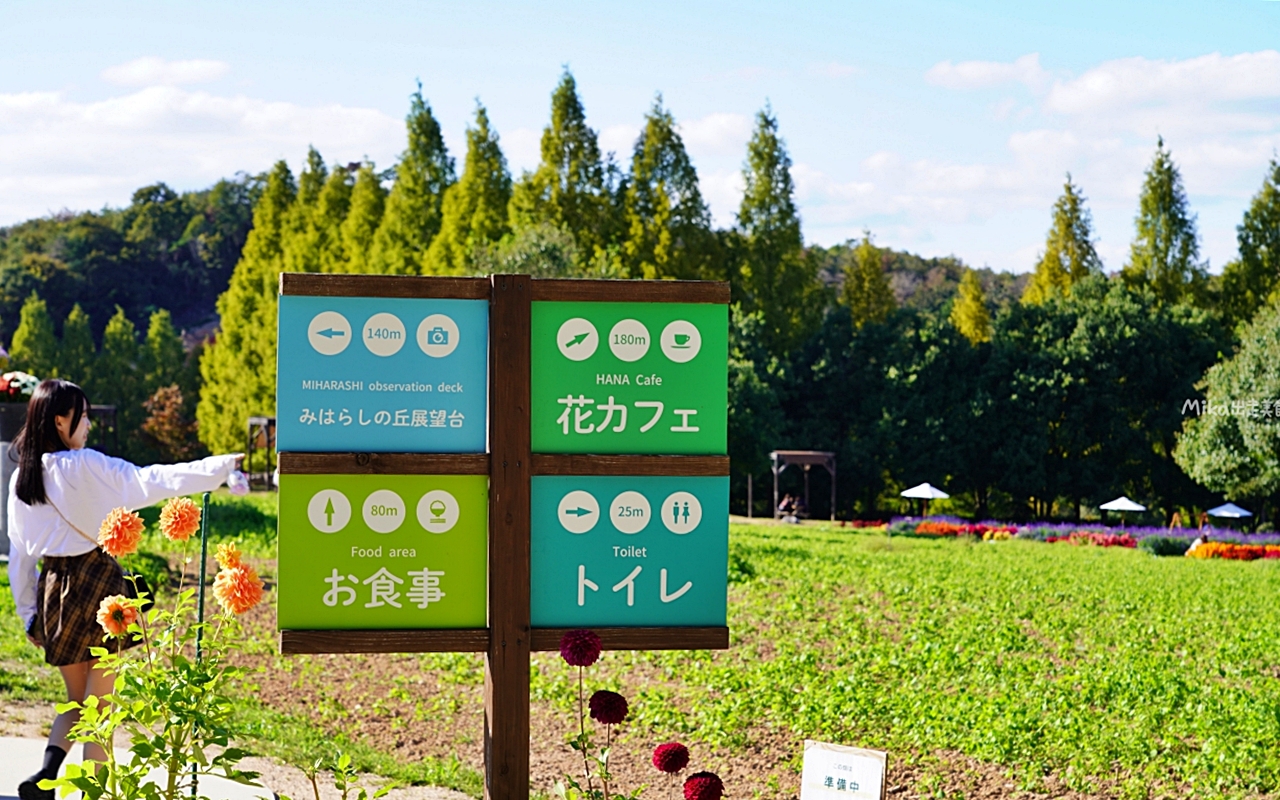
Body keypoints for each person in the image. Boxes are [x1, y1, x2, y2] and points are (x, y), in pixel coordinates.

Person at [7, 380, 243, 800]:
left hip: (54, 592)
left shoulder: (24, 479)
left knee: (75, 699)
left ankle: (45, 775)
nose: (89, 425)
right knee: (102, 705)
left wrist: (28, 613)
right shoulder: (86, 466)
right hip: (99, 587)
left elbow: (22, 557)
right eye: (83, 415)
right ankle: (92, 794)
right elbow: (151, 480)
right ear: (61, 421)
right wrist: (222, 467)